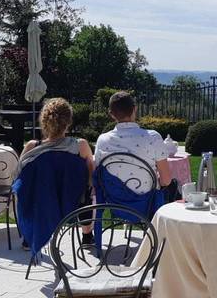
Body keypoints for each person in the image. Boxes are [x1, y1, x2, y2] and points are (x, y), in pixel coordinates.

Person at [17, 98, 95, 248]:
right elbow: (90, 175)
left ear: (44, 122)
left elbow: (20, 176)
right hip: (72, 203)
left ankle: (30, 236)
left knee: (30, 189)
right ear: (68, 122)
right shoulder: (80, 145)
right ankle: (87, 236)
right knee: (87, 191)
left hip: (43, 202)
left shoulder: (32, 147)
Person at [94, 91, 173, 194]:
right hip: (147, 201)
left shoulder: (102, 140)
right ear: (135, 108)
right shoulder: (153, 137)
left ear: (112, 114)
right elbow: (166, 181)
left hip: (114, 201)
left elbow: (99, 173)